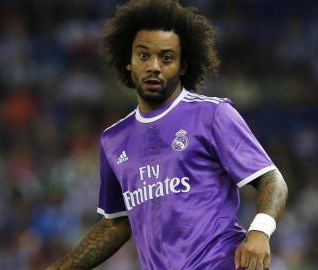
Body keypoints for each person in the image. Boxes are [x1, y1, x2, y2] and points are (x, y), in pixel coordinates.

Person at [47, 0, 288, 269]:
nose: (154, 66)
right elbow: (116, 223)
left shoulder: (212, 115)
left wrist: (260, 231)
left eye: (167, 58)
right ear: (128, 62)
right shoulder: (114, 140)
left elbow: (272, 179)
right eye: (143, 55)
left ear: (183, 65)